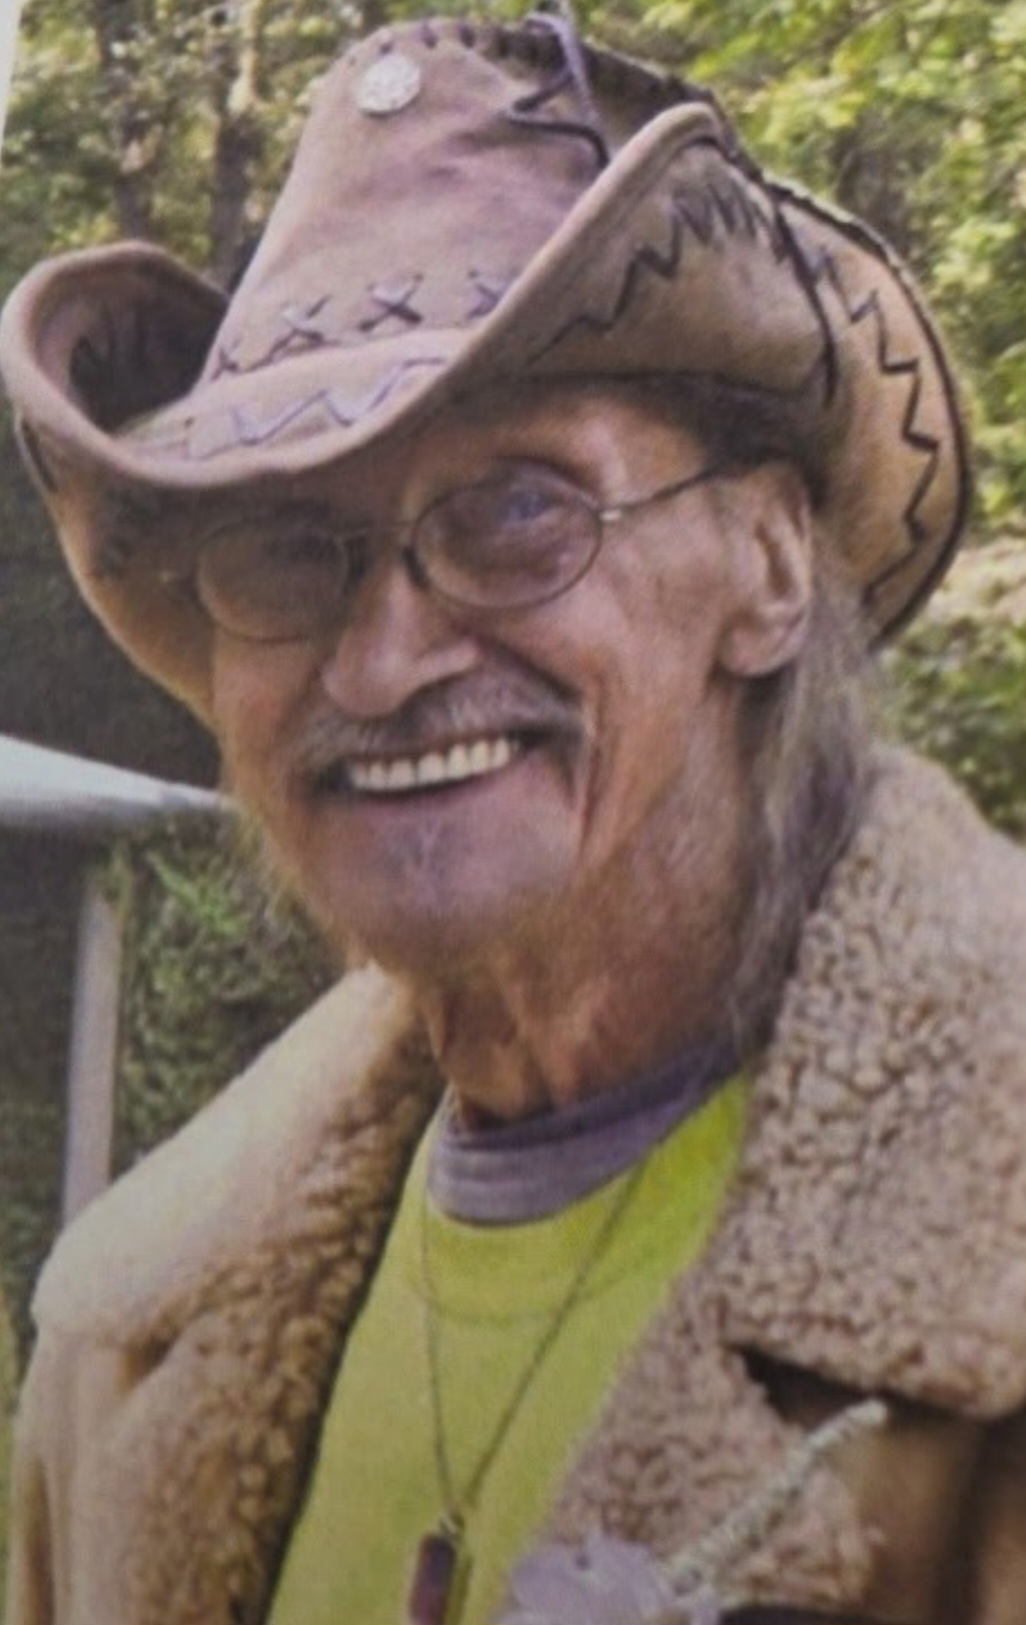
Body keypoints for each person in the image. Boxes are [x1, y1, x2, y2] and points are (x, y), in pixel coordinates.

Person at [2, 11, 1025, 1624]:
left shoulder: (986, 1262)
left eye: (517, 510)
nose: (379, 661)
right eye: (287, 550)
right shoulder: (122, 1339)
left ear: (767, 566)